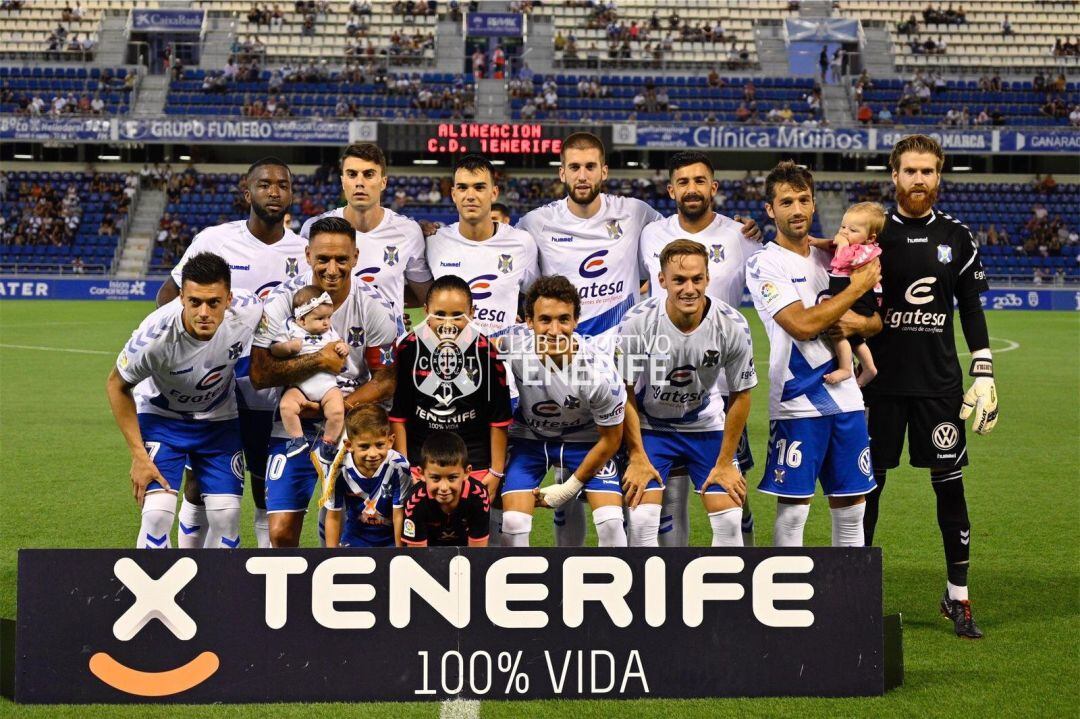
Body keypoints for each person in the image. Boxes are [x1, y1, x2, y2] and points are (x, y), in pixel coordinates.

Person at [515, 132, 759, 546]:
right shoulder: (534, 223)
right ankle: (570, 577)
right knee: (570, 487)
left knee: (664, 497)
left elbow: (689, 225)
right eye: (574, 166)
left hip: (630, 371)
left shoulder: (637, 215)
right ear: (561, 172)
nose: (583, 174)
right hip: (566, 367)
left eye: (591, 165)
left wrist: (741, 228)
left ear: (604, 171)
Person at [860, 134, 996, 639]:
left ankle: (957, 596)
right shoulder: (873, 233)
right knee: (867, 489)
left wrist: (983, 367)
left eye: (928, 171)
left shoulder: (958, 237)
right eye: (911, 171)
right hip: (878, 387)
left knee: (950, 486)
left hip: (938, 386)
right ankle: (858, 593)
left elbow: (972, 307)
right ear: (893, 175)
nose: (920, 180)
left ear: (939, 177)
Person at [157, 156, 308, 549]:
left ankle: (262, 579)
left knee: (265, 483)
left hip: (273, 388)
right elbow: (169, 295)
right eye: (264, 184)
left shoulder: (305, 252)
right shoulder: (214, 240)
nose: (274, 191)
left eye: (282, 184)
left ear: (292, 194)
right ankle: (188, 564)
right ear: (248, 192)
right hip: (217, 385)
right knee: (199, 480)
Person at [744, 161, 882, 550]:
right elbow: (801, 325)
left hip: (849, 400)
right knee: (794, 511)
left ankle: (847, 605)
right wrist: (855, 291)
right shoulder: (765, 263)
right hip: (798, 401)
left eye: (804, 200)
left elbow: (875, 323)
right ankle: (786, 606)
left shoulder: (834, 258)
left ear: (815, 204)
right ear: (770, 210)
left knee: (852, 506)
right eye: (786, 202)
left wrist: (859, 322)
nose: (797, 209)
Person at [250, 216, 400, 547]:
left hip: (352, 424)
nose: (332, 269)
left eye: (342, 259)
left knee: (350, 528)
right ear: (307, 256)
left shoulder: (375, 307)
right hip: (293, 424)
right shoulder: (281, 301)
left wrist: (335, 407)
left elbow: (386, 381)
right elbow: (259, 374)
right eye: (323, 259)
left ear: (356, 257)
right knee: (280, 533)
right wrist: (318, 361)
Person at [638, 150, 761, 546]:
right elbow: (647, 288)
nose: (692, 189)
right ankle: (676, 581)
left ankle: (745, 575)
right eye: (684, 182)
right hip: (665, 386)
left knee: (733, 493)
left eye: (700, 180)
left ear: (714, 187)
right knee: (669, 497)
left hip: (724, 387)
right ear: (671, 189)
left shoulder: (741, 236)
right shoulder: (652, 234)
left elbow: (775, 270)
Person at [106, 253, 263, 549]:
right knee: (156, 516)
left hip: (219, 420)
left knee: (227, 516)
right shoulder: (153, 338)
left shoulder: (250, 309)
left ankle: (216, 590)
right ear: (181, 298)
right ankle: (154, 592)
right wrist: (139, 457)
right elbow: (116, 385)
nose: (204, 312)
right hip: (162, 420)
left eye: (214, 302)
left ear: (229, 299)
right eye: (195, 302)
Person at [617, 239, 758, 547]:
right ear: (662, 280)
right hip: (652, 428)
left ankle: (723, 594)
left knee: (730, 521)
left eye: (697, 279)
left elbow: (741, 395)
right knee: (641, 521)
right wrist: (637, 455)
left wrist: (725, 462)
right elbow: (623, 390)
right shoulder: (637, 322)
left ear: (708, 278)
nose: (689, 288)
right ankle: (648, 593)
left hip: (706, 427)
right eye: (679, 280)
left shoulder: (732, 325)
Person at [499, 276, 628, 548]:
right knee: (512, 525)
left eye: (564, 320)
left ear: (576, 321)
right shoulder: (508, 347)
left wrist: (567, 489)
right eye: (545, 319)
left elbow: (612, 440)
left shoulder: (599, 374)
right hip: (528, 440)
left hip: (586, 439)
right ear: (528, 321)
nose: (555, 330)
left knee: (611, 523)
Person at [390, 275, 512, 496]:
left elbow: (499, 418)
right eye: (440, 315)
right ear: (426, 311)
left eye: (457, 316)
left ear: (472, 312)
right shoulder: (408, 348)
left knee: (476, 526)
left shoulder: (486, 352)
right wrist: (405, 466)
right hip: (420, 464)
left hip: (474, 461)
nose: (448, 324)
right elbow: (399, 416)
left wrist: (495, 473)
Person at [300, 143, 432, 318]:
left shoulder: (408, 232)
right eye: (352, 174)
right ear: (342, 181)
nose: (360, 183)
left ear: (383, 182)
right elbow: (301, 293)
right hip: (330, 343)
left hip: (386, 343)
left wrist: (393, 310)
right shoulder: (313, 229)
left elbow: (426, 297)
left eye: (369, 174)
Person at [271, 286, 350, 457]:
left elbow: (340, 343)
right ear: (302, 319)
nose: (326, 322)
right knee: (286, 406)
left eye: (329, 317)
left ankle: (328, 443)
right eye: (320, 318)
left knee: (337, 411)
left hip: (328, 386)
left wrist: (343, 347)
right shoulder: (291, 328)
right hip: (300, 386)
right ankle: (297, 440)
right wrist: (288, 347)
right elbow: (274, 349)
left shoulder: (329, 332)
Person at [321, 404, 408, 548]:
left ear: (390, 441)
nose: (373, 454)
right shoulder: (337, 469)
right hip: (355, 538)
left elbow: (399, 514)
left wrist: (399, 554)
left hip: (391, 539)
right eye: (364, 446)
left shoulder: (400, 466)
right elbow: (334, 516)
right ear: (349, 445)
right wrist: (332, 556)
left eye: (379, 445)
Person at [824, 202, 885, 387]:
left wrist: (842, 243)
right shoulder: (857, 245)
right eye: (843, 227)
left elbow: (842, 258)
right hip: (849, 292)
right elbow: (833, 247)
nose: (844, 232)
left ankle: (846, 368)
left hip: (860, 299)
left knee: (839, 329)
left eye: (852, 230)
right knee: (854, 339)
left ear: (869, 237)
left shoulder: (866, 251)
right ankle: (868, 368)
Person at [401, 431, 491, 547]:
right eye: (435, 478)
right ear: (421, 474)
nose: (444, 488)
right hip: (428, 555)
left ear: (467, 472)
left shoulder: (479, 496)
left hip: (465, 555)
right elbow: (417, 556)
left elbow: (477, 553)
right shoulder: (414, 501)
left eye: (452, 477)